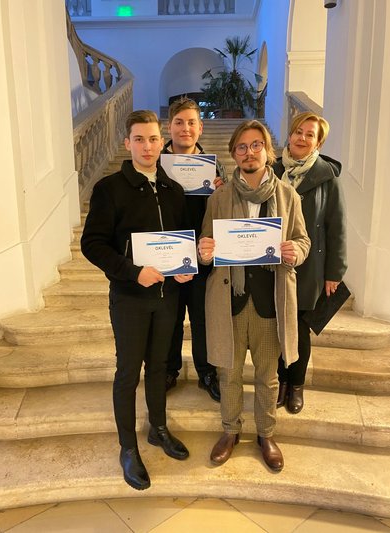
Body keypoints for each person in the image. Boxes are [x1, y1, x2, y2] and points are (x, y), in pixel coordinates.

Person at [81, 110, 191, 492]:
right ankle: (128, 448)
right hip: (130, 297)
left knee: (159, 367)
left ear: (162, 142)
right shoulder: (109, 189)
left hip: (167, 297)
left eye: (153, 139)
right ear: (127, 143)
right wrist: (132, 271)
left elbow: (181, 240)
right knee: (128, 373)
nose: (147, 146)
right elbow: (92, 244)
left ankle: (158, 428)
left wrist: (184, 267)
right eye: (139, 139)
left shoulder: (174, 190)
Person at [198, 120, 310, 471]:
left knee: (268, 376)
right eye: (242, 147)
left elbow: (303, 240)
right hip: (229, 302)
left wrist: (295, 251)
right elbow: (206, 244)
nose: (249, 152)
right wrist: (205, 252)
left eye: (256, 145)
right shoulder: (218, 198)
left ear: (268, 151)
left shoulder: (289, 196)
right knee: (228, 374)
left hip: (269, 303)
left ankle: (266, 434)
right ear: (234, 154)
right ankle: (230, 431)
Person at [274, 112, 347, 414]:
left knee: (300, 329)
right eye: (298, 132)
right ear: (290, 135)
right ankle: (280, 381)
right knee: (277, 327)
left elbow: (337, 228)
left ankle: (296, 385)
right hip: (276, 263)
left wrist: (334, 272)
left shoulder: (328, 178)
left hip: (310, 268)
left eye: (309, 135)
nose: (302, 138)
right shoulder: (273, 170)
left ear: (318, 142)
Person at [163, 97, 227, 402]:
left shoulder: (215, 168)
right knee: (170, 318)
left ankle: (206, 372)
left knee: (203, 319)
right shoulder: (156, 165)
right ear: (169, 127)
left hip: (204, 258)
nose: (185, 128)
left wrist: (222, 192)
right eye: (179, 122)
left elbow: (227, 212)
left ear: (200, 128)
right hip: (167, 256)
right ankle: (168, 370)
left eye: (191, 122)